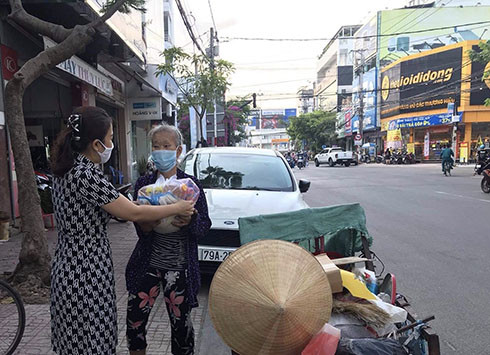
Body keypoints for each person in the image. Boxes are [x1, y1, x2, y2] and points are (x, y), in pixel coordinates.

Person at [50, 107, 195, 355]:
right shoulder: (86, 175)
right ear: (96, 144)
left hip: (68, 264)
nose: (111, 144)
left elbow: (122, 208)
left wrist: (141, 205)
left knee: (74, 341)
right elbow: (133, 214)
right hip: (86, 271)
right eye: (109, 138)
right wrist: (178, 206)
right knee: (92, 340)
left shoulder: (67, 169)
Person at [125, 123, 212, 355]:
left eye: (166, 146)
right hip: (147, 264)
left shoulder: (190, 186)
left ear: (178, 150)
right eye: (156, 146)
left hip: (179, 267)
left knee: (181, 328)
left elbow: (204, 226)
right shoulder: (144, 185)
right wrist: (147, 223)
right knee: (135, 324)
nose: (160, 150)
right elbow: (139, 228)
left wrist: (191, 221)